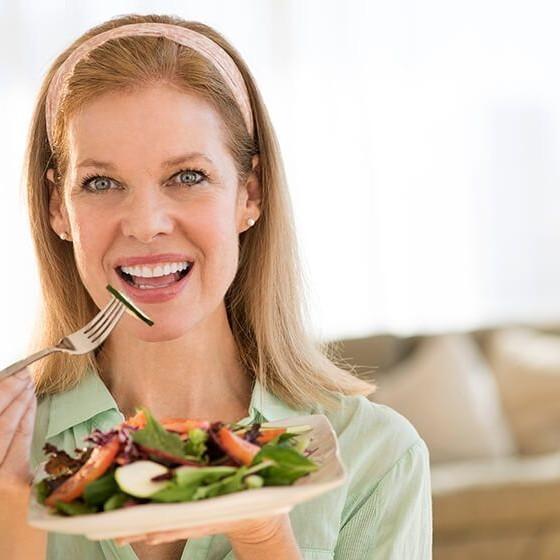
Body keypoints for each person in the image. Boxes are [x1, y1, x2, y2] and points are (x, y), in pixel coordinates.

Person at [0, 13, 432, 560]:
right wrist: (15, 517)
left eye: (187, 177)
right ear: (58, 210)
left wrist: (263, 536)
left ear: (249, 194)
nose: (146, 222)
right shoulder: (11, 450)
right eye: (102, 183)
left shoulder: (373, 455)